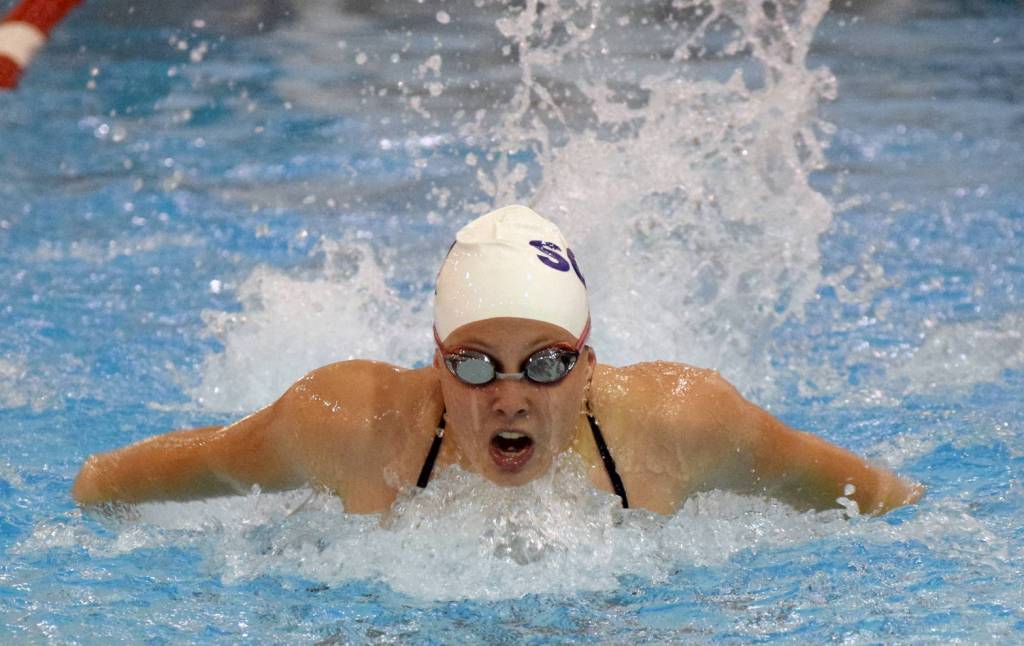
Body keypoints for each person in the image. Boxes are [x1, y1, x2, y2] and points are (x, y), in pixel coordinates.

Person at [72, 205, 923, 516]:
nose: (509, 398)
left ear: (589, 364)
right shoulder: (346, 427)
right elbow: (138, 476)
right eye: (477, 367)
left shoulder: (683, 422)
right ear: (435, 362)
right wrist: (93, 492)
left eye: (545, 365)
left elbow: (874, 498)